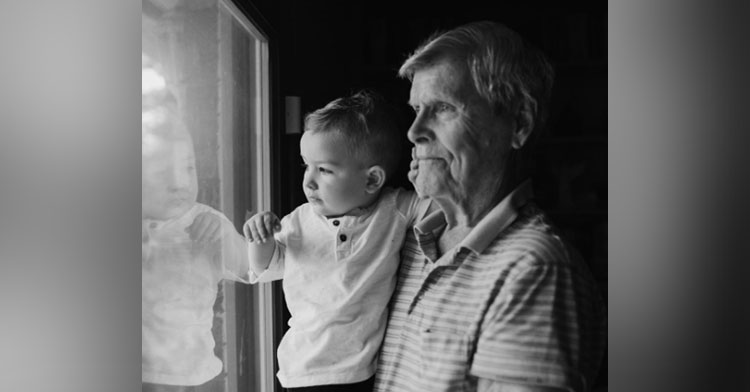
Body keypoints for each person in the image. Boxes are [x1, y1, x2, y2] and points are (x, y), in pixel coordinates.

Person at [373, 21, 606, 392]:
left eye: (443, 107)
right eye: (416, 108)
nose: (414, 131)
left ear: (519, 125)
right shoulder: (410, 239)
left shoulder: (534, 270)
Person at [243, 90, 430, 391]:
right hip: (303, 367)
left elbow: (438, 204)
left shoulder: (393, 209)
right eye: (306, 165)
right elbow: (265, 269)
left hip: (361, 370)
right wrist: (259, 238)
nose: (309, 181)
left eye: (325, 169)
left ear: (372, 180)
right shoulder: (298, 221)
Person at [141, 92, 250, 392]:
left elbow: (247, 268)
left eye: (188, 167)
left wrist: (226, 238)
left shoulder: (206, 221)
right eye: (163, 172)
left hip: (197, 376)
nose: (180, 182)